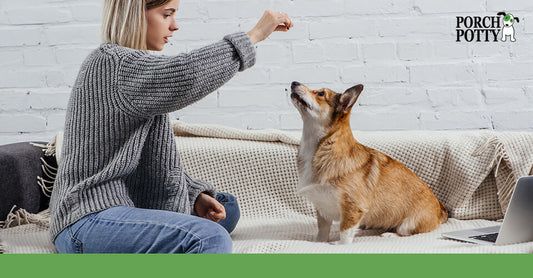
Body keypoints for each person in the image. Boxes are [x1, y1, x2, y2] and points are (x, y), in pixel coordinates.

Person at [50, 0, 293, 254]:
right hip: (86, 218)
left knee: (226, 207)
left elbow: (151, 163)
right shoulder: (112, 63)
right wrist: (252, 36)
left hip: (122, 202)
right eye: (167, 14)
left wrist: (193, 197)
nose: (175, 26)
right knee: (209, 239)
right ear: (135, 15)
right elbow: (188, 74)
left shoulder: (134, 67)